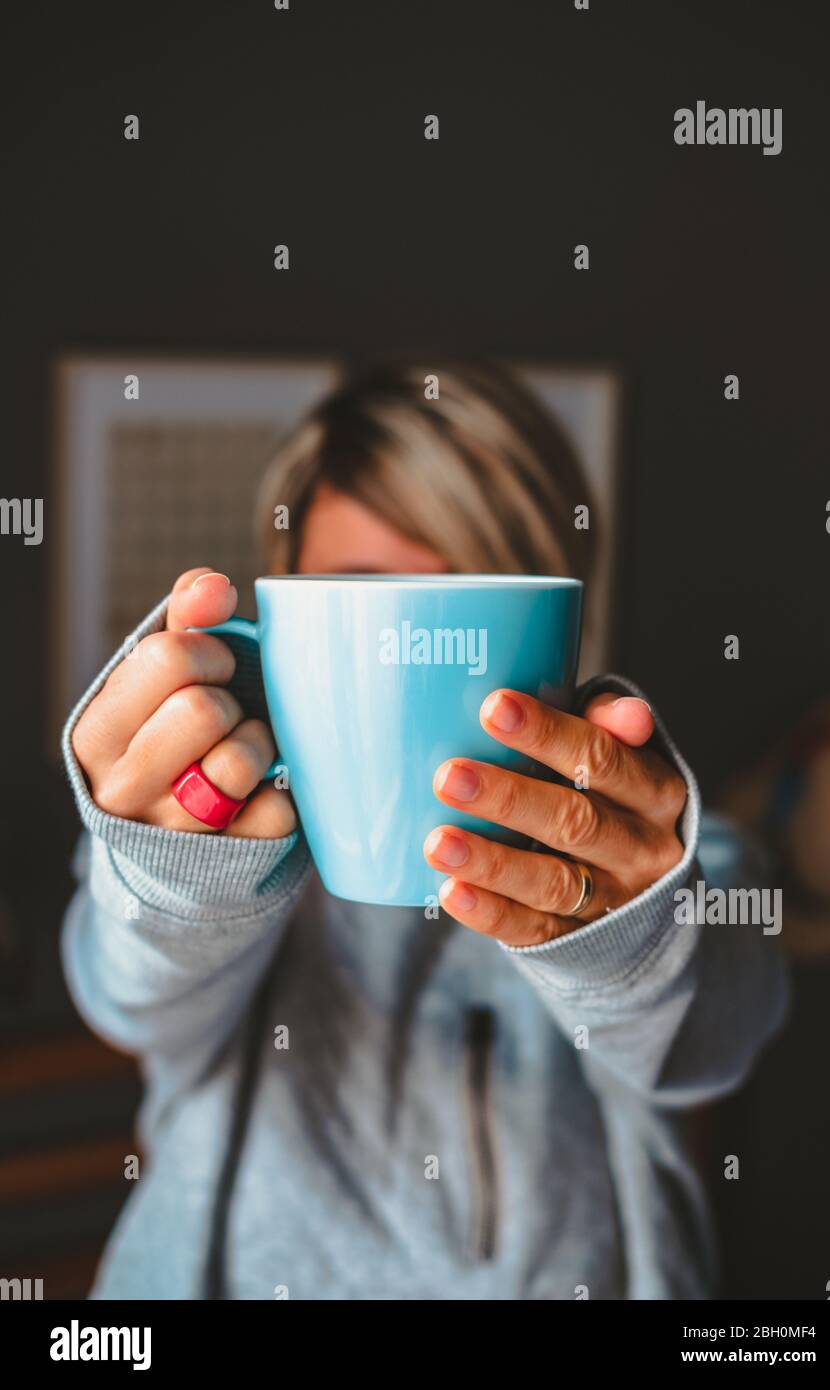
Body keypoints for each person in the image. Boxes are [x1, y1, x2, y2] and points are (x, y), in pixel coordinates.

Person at [61, 358, 788, 1299]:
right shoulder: (217, 843)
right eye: (360, 591)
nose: (411, 647)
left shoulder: (655, 853)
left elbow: (713, 1030)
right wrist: (176, 874)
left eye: (470, 588)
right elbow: (129, 994)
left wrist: (631, 940)